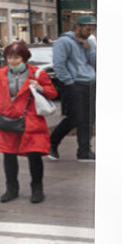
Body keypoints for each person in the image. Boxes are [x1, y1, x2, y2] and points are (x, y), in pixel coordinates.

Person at [0, 41, 58, 204]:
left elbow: (53, 93)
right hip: (7, 120)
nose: (13, 61)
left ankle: (37, 189)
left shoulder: (37, 73)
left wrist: (40, 88)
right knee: (9, 156)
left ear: (24, 58)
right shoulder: (0, 74)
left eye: (17, 57)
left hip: (31, 121)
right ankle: (11, 189)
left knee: (34, 156)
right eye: (9, 57)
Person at [48, 14, 97, 162]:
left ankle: (84, 151)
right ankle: (52, 143)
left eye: (92, 29)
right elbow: (59, 65)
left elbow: (95, 61)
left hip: (89, 83)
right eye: (88, 29)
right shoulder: (64, 42)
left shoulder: (89, 42)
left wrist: (89, 49)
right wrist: (70, 83)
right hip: (74, 84)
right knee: (75, 118)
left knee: (88, 119)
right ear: (78, 27)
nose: (90, 32)